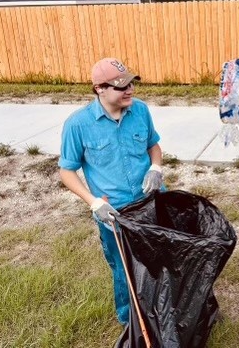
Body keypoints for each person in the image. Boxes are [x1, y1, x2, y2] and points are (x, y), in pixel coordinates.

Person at [58, 57, 164, 326]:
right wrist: (93, 202)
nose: (129, 90)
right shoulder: (78, 125)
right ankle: (131, 323)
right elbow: (67, 171)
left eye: (130, 83)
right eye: (120, 86)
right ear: (99, 89)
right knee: (124, 269)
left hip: (151, 202)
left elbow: (154, 145)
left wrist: (155, 167)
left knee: (158, 258)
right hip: (114, 213)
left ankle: (162, 307)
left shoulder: (140, 111)